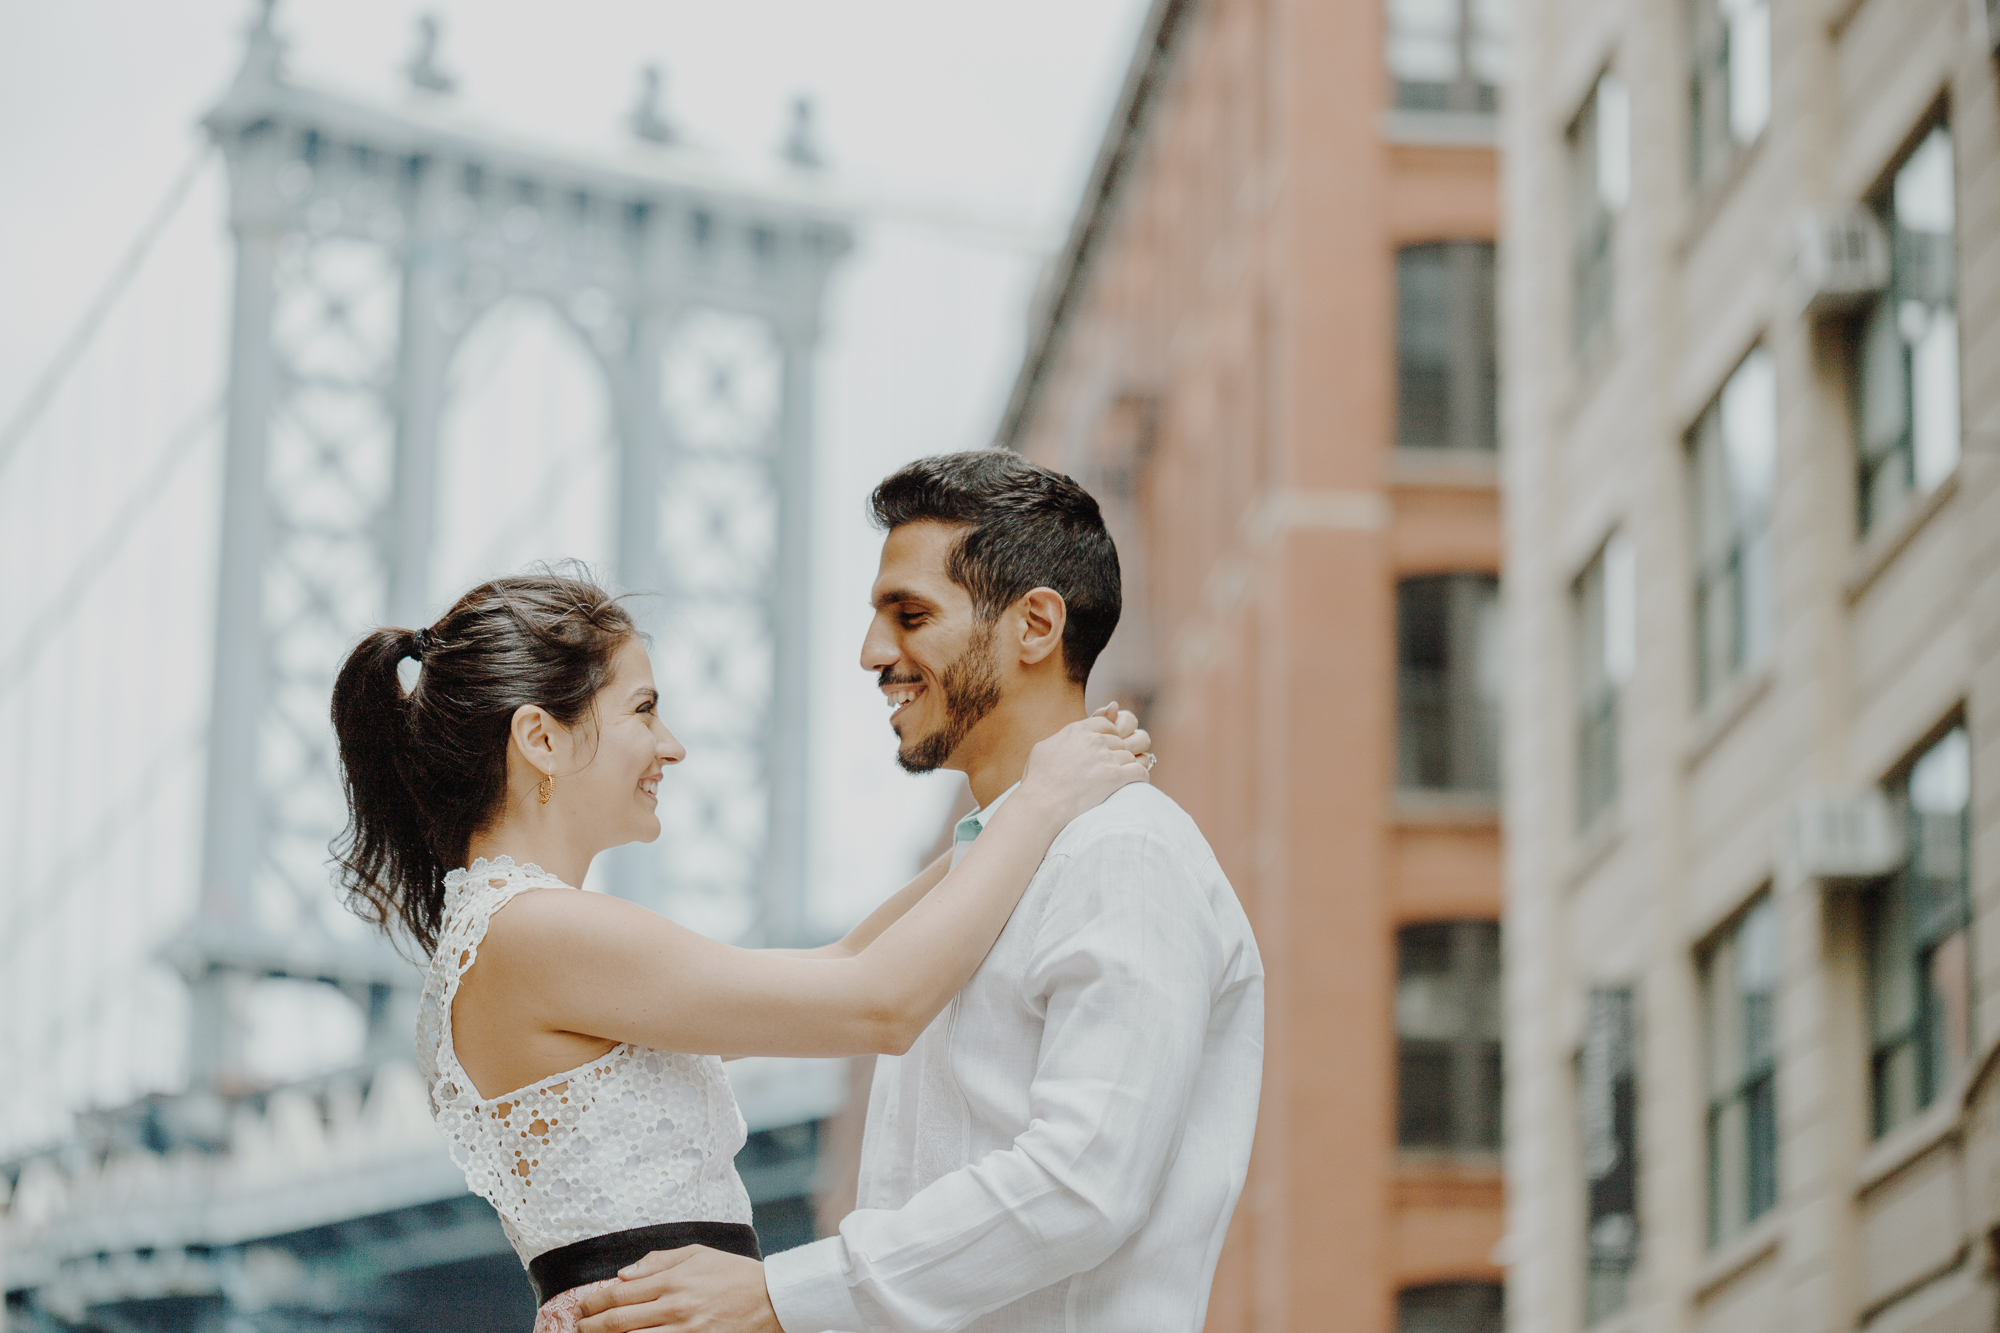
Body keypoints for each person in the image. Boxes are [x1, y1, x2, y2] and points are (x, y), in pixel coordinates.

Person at [327, 571, 1154, 1331]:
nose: (672, 745)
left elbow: (841, 962)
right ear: (541, 739)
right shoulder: (538, 931)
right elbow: (881, 1003)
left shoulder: (516, 934)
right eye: (644, 709)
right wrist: (1044, 804)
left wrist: (1002, 817)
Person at [579, 452, 1265, 1333]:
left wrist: (777, 1294)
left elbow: (1084, 1180)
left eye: (910, 615)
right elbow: (851, 977)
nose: (872, 653)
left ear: (1036, 625)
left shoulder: (1122, 851)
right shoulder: (998, 861)